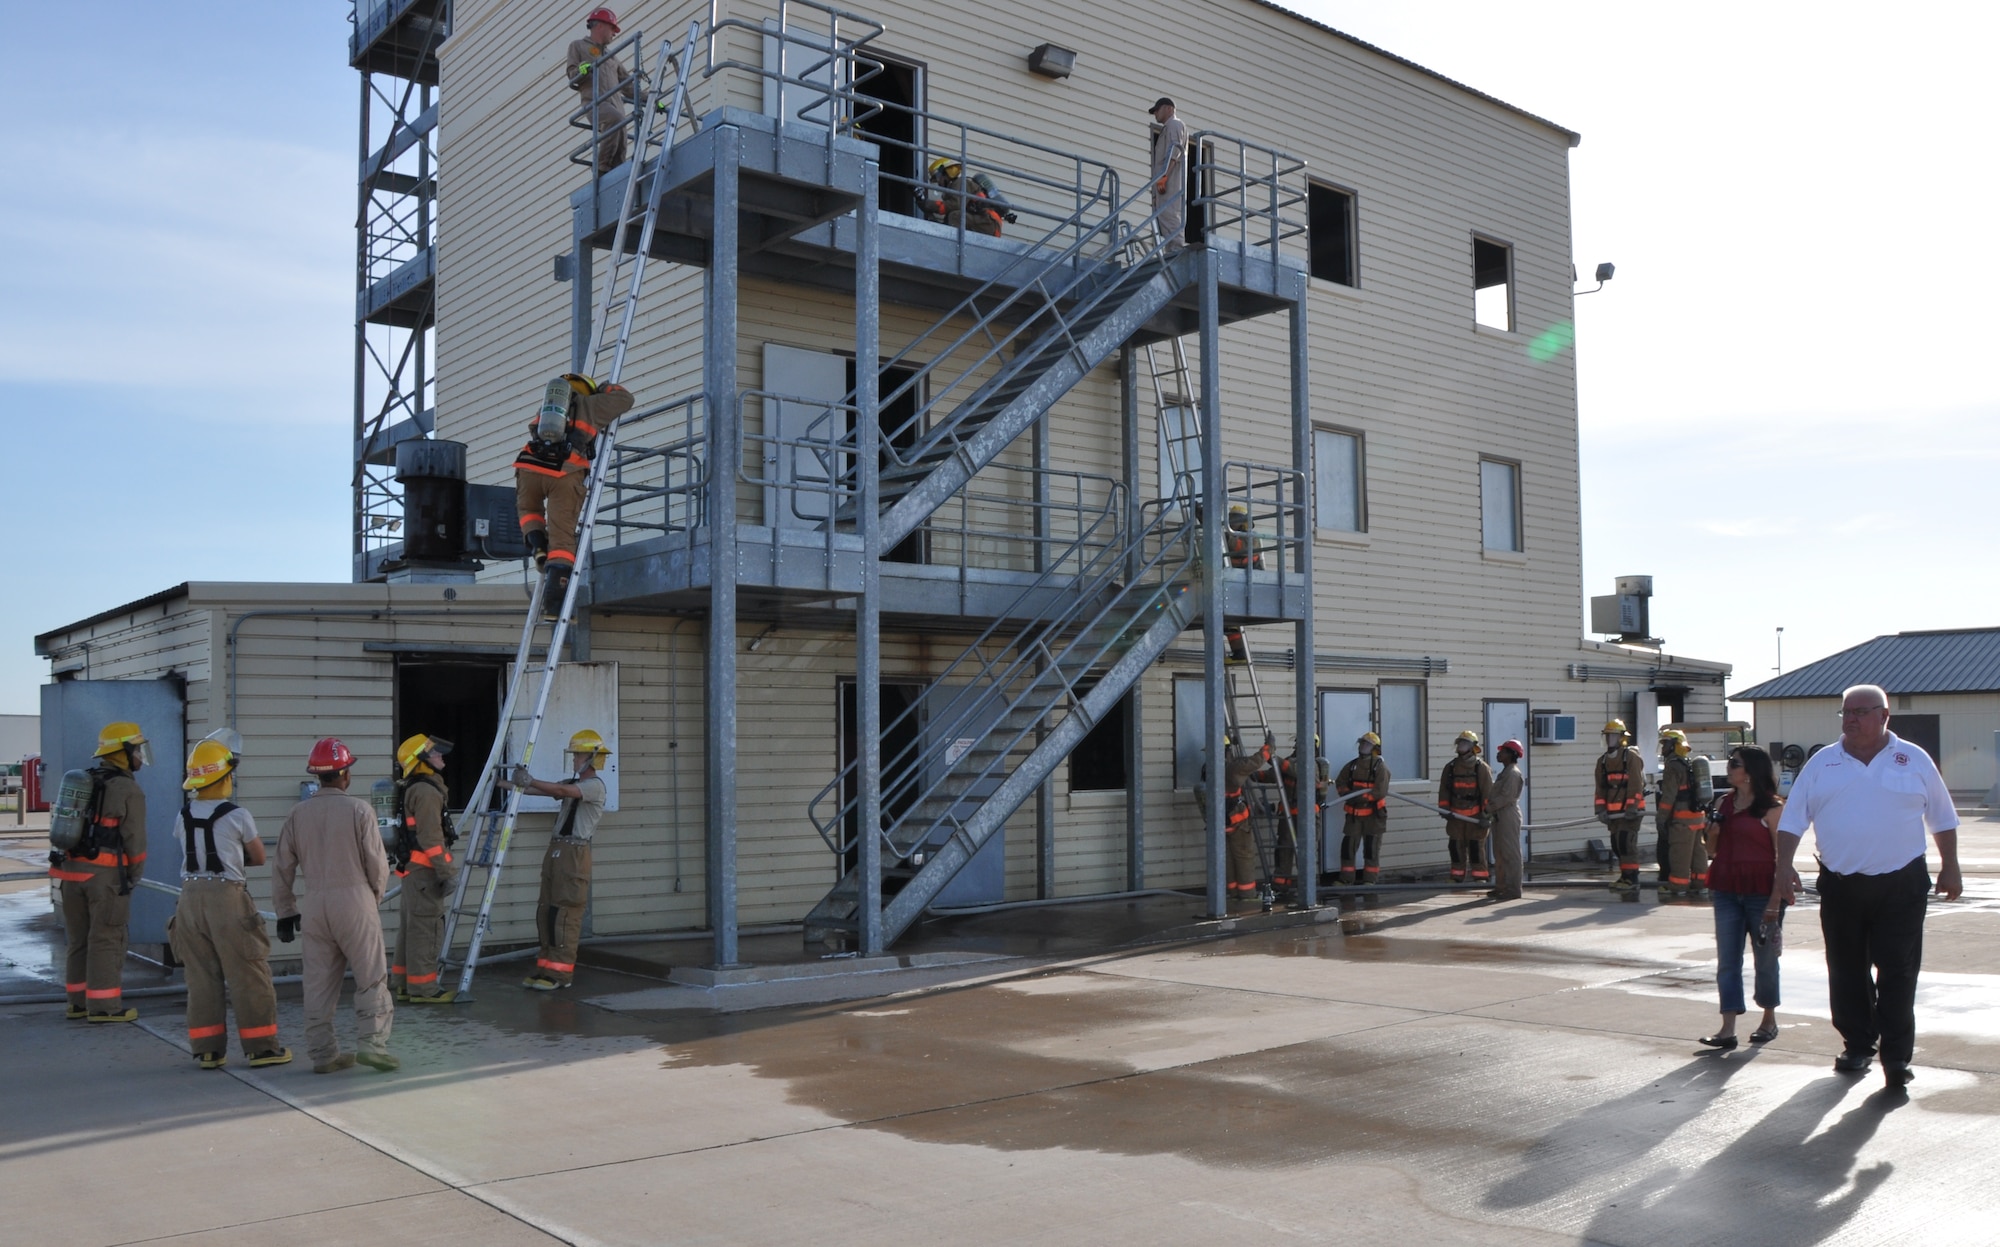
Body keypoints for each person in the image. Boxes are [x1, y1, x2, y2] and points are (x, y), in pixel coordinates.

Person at [1771, 684, 1961, 1091]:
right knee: (1846, 970)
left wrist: (1951, 866)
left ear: (1884, 716)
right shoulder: (1823, 763)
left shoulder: (1913, 759)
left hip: (1902, 885)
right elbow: (1792, 820)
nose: (1851, 719)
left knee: (1898, 971)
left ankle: (1896, 1058)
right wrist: (1782, 867)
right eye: (1845, 712)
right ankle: (1858, 1044)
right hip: (1841, 885)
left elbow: (1942, 817)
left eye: (1860, 712)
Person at [273, 739, 397, 1074]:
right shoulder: (359, 810)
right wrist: (373, 897)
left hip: (314, 904)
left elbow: (282, 866)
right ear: (345, 774)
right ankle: (373, 1047)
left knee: (317, 983)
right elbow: (377, 864)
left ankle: (323, 1055)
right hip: (355, 900)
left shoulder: (298, 814)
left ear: (317, 775)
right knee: (371, 978)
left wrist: (285, 911)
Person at [170, 734, 290, 1070]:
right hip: (227, 896)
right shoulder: (238, 815)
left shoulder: (183, 815)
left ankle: (208, 1050)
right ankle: (262, 1049)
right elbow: (257, 857)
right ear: (224, 777)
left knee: (201, 976)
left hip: (189, 898)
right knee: (248, 972)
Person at [49, 722, 149, 1022]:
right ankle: (104, 1007)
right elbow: (135, 841)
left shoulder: (86, 780)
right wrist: (134, 875)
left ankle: (77, 1003)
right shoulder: (127, 788)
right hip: (103, 880)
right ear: (125, 751)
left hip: (69, 875)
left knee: (78, 940)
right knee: (106, 939)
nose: (141, 755)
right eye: (137, 749)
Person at [513, 373, 635, 615]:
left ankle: (538, 547)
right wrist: (604, 389)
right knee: (562, 540)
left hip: (527, 466)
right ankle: (554, 608)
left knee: (529, 511)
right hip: (564, 473)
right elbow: (625, 399)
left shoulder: (547, 410)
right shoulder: (591, 404)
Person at [503, 730, 611, 990]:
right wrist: (501, 783)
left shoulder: (593, 786)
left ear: (591, 758)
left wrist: (532, 779)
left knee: (564, 914)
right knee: (547, 911)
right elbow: (538, 790)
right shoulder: (573, 784)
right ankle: (545, 970)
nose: (574, 759)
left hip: (574, 853)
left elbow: (561, 790)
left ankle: (561, 975)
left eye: (578, 755)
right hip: (558, 850)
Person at [1698, 744, 1785, 1051]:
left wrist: (1776, 900)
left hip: (1762, 892)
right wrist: (1713, 832)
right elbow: (1711, 851)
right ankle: (1727, 1028)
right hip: (1726, 888)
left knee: (1765, 960)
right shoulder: (1723, 803)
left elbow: (1782, 858)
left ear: (1751, 771)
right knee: (1727, 961)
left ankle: (1769, 1019)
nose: (1729, 768)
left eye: (1734, 763)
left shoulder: (1773, 808)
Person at [390, 734, 457, 1003]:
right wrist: (447, 873)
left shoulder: (416, 788)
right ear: (421, 762)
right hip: (425, 872)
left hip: (413, 872)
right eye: (433, 753)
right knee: (426, 928)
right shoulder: (427, 792)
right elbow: (431, 839)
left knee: (411, 928)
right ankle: (424, 989)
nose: (440, 756)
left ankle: (405, 984)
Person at [566, 8, 637, 172]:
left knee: (620, 145)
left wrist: (652, 98)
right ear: (600, 26)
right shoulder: (578, 46)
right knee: (615, 120)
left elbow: (628, 86)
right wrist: (580, 70)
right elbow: (572, 74)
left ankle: (617, 175)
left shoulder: (612, 57)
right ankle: (601, 166)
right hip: (595, 103)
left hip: (616, 106)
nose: (614, 33)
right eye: (613, 28)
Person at [1592, 718, 1646, 893]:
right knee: (1616, 845)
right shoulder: (1602, 762)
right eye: (1608, 736)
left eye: (1614, 736)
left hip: (1631, 811)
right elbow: (1600, 788)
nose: (1610, 740)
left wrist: (1632, 807)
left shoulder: (1631, 758)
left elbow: (1636, 785)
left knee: (1626, 843)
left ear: (1622, 738)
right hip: (1613, 813)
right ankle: (1624, 876)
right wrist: (1600, 809)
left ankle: (1632, 879)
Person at [1657, 728, 1711, 898]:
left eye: (1665, 743)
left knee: (1680, 852)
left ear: (1674, 745)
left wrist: (1661, 818)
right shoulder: (1687, 763)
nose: (1663, 748)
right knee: (1698, 852)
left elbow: (1669, 797)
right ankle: (1701, 884)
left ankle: (1678, 886)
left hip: (1682, 819)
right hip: (1697, 816)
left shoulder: (1672, 767)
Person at [1332, 732, 1390, 886]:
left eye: (1367, 744)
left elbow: (1380, 791)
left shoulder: (1380, 767)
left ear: (1375, 748)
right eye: (1362, 743)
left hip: (1374, 817)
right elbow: (1340, 782)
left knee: (1371, 849)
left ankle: (1369, 881)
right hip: (1354, 816)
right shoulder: (1351, 766)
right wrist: (1346, 794)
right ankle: (1345, 879)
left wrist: (1361, 798)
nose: (1363, 746)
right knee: (1348, 847)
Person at [1437, 730, 1493, 883]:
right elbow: (1444, 791)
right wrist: (1444, 809)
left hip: (1475, 817)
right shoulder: (1450, 767)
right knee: (1455, 846)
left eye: (1465, 743)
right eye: (1460, 742)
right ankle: (1456, 876)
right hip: (1455, 816)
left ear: (1473, 747)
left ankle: (1480, 877)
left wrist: (1486, 816)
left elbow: (1488, 794)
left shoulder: (1481, 768)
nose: (1461, 745)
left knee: (1475, 847)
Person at [919, 157, 1014, 237]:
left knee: (955, 216)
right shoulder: (957, 186)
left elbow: (954, 205)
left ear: (947, 172)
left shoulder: (960, 182)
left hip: (988, 222)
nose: (938, 183)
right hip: (988, 223)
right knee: (953, 216)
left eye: (938, 177)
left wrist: (926, 203)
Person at [1148, 97, 1189, 253]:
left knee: (1170, 214)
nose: (1155, 114)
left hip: (1170, 181)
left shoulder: (1174, 124)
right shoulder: (1168, 127)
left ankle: (1176, 251)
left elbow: (1175, 151)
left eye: (1157, 110)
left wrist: (1165, 176)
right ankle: (1171, 251)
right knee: (1164, 217)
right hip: (1163, 182)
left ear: (1169, 109)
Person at [1488, 740, 1525, 901]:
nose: (1499, 754)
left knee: (1511, 853)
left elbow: (1506, 797)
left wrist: (1487, 809)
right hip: (1498, 815)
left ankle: (1514, 889)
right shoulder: (1505, 772)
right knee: (1500, 853)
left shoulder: (1512, 773)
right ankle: (1501, 887)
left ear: (1511, 754)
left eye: (1502, 752)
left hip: (1507, 815)